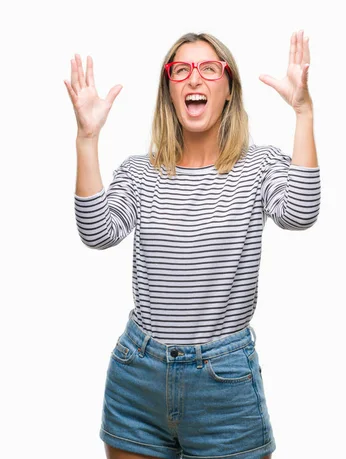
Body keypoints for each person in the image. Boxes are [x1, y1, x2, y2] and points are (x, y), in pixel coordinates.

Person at [66, 30, 320, 459]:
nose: (194, 79)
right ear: (169, 90)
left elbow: (300, 213)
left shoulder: (259, 166)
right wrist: (87, 139)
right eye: (180, 70)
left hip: (224, 382)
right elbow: (97, 232)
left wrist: (304, 113)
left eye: (209, 69)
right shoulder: (141, 172)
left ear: (228, 89)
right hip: (138, 377)